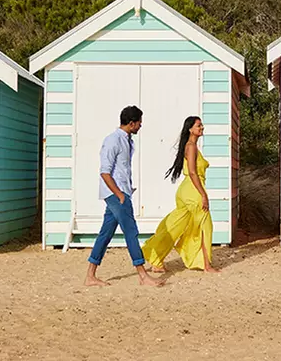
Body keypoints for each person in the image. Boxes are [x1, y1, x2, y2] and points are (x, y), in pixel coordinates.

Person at [84, 106, 163, 288]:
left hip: (122, 192)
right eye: (139, 123)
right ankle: (143, 276)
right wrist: (119, 194)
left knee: (105, 234)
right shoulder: (112, 141)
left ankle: (90, 276)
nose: (141, 126)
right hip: (115, 194)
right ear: (131, 123)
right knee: (131, 231)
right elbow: (105, 172)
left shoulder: (127, 140)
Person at [141, 115, 219, 274]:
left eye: (202, 125)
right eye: (198, 125)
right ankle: (207, 266)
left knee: (175, 225)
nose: (201, 127)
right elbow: (192, 172)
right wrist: (203, 195)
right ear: (190, 129)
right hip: (193, 191)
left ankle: (155, 258)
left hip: (187, 190)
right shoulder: (190, 147)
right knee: (205, 226)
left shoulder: (192, 146)